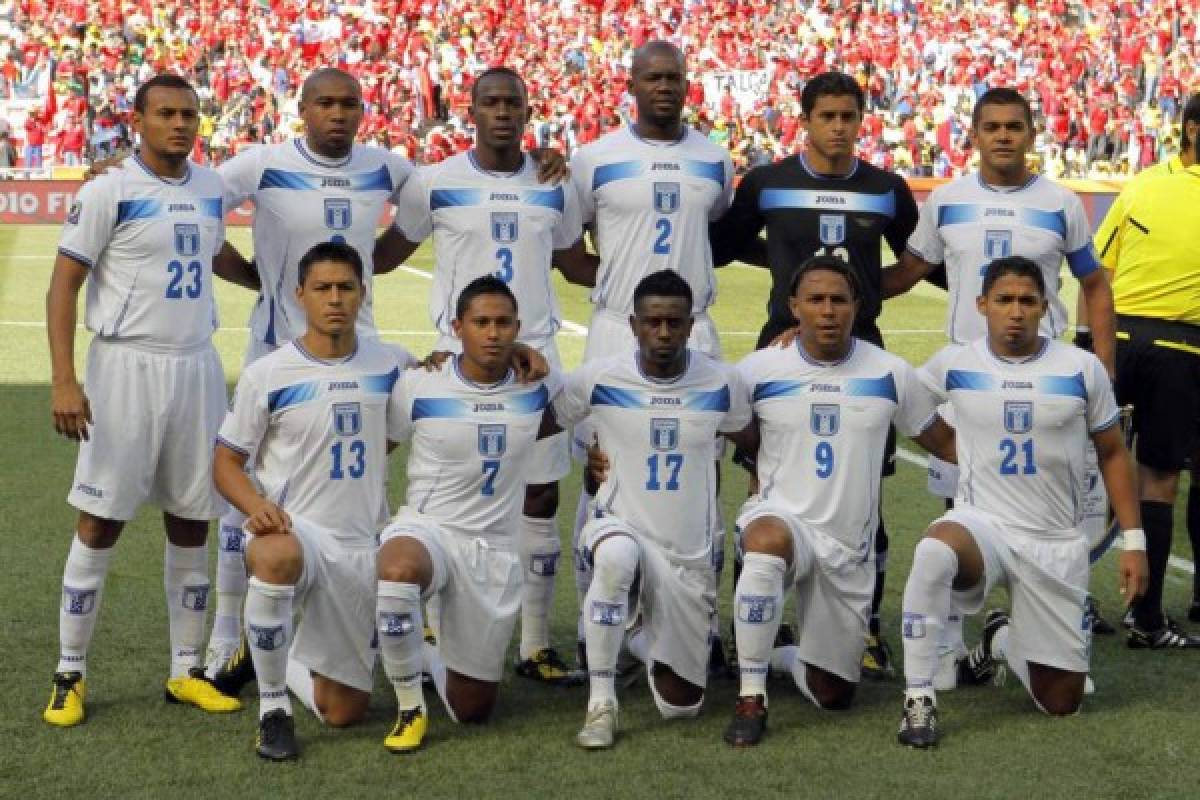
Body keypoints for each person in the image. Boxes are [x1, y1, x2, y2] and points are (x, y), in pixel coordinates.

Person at [883, 87, 1117, 669]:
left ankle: (1037, 619)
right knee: (956, 497)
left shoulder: (1062, 202)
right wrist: (819, 308)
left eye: (1015, 126)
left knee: (1046, 497)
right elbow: (908, 273)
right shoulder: (946, 200)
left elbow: (1094, 285)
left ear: (1032, 134)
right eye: (993, 127)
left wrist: (1105, 370)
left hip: (1040, 367)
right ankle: (953, 641)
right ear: (976, 135)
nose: (1004, 135)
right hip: (966, 371)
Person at [376, 66, 595, 684]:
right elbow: (388, 254)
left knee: (541, 494)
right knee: (457, 494)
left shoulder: (555, 182)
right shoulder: (435, 182)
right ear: (470, 111)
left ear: (529, 112)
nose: (503, 112)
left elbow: (576, 263)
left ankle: (532, 645)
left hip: (537, 357)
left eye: (513, 103)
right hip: (460, 356)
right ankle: (434, 608)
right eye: (491, 102)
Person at [42, 74, 240, 727]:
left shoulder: (211, 186)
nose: (179, 124)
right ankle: (70, 671)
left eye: (189, 113)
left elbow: (218, 255)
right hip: (124, 366)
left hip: (196, 367)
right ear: (138, 119)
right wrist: (65, 379)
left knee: (192, 517)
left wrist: (275, 280)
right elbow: (64, 284)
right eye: (166, 114)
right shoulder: (110, 188)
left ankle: (186, 669)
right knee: (101, 521)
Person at [709, 70, 922, 678]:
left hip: (860, 350)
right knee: (763, 488)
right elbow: (725, 245)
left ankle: (868, 626)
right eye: (826, 116)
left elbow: (916, 260)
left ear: (861, 120)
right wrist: (785, 270)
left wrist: (869, 301)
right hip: (782, 348)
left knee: (865, 494)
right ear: (804, 121)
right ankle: (759, 618)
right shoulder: (769, 182)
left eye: (848, 116)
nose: (838, 127)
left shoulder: (887, 188)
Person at [897, 256, 1147, 748]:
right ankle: (919, 698)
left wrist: (1134, 542)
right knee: (934, 549)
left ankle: (1001, 640)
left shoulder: (1081, 368)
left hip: (1053, 541)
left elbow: (1114, 452)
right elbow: (901, 398)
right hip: (982, 526)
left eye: (1027, 301)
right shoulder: (955, 362)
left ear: (1045, 307)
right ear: (982, 305)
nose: (1016, 312)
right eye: (1005, 300)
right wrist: (953, 447)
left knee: (1063, 702)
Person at [723, 255, 950, 747]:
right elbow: (713, 429)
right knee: (764, 543)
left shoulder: (890, 372)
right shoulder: (758, 369)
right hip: (782, 520)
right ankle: (751, 694)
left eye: (838, 300)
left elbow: (945, 442)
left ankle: (784, 655)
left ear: (857, 307)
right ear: (793, 307)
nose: (827, 311)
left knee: (834, 694)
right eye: (815, 300)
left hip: (848, 546)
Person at [567, 40, 735, 671]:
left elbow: (712, 228)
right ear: (631, 84)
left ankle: (700, 622)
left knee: (701, 479)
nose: (665, 86)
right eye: (653, 77)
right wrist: (623, 294)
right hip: (617, 331)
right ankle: (596, 630)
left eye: (675, 77)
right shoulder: (595, 159)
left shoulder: (714, 161)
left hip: (695, 333)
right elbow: (569, 252)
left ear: (688, 85)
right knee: (602, 475)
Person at [212, 242, 416, 760]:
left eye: (345, 287)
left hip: (361, 541)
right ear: (299, 295)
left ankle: (266, 657)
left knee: (343, 712)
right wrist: (255, 505)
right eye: (322, 288)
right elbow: (225, 461)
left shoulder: (392, 363)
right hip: (296, 532)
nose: (334, 299)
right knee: (273, 556)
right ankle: (273, 709)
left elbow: (449, 384)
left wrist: (522, 357)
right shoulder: (270, 372)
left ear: (362, 294)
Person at [553, 270, 751, 750]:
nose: (663, 333)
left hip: (687, 553)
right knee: (618, 555)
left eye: (674, 323)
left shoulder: (723, 383)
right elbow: (540, 421)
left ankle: (637, 635)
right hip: (618, 526)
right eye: (652, 322)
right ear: (633, 323)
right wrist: (587, 472)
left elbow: (753, 442)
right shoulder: (599, 377)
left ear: (691, 325)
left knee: (682, 705)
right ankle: (601, 704)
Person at [373, 276, 566, 754]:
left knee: (472, 710)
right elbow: (380, 446)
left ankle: (429, 649)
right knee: (398, 571)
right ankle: (409, 707)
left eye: (504, 323)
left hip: (493, 551)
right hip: (428, 530)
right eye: (481, 322)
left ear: (518, 328)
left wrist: (604, 457)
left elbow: (603, 407)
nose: (493, 333)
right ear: (457, 327)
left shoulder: (540, 386)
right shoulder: (419, 384)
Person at [1090, 92, 1200, 648]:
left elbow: (1097, 270)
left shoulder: (1141, 185)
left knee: (1083, 474)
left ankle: (1091, 606)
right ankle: (1147, 618)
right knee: (1157, 479)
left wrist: (1093, 348)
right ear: (1189, 128)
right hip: (1175, 350)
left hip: (1119, 338)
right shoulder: (1141, 187)